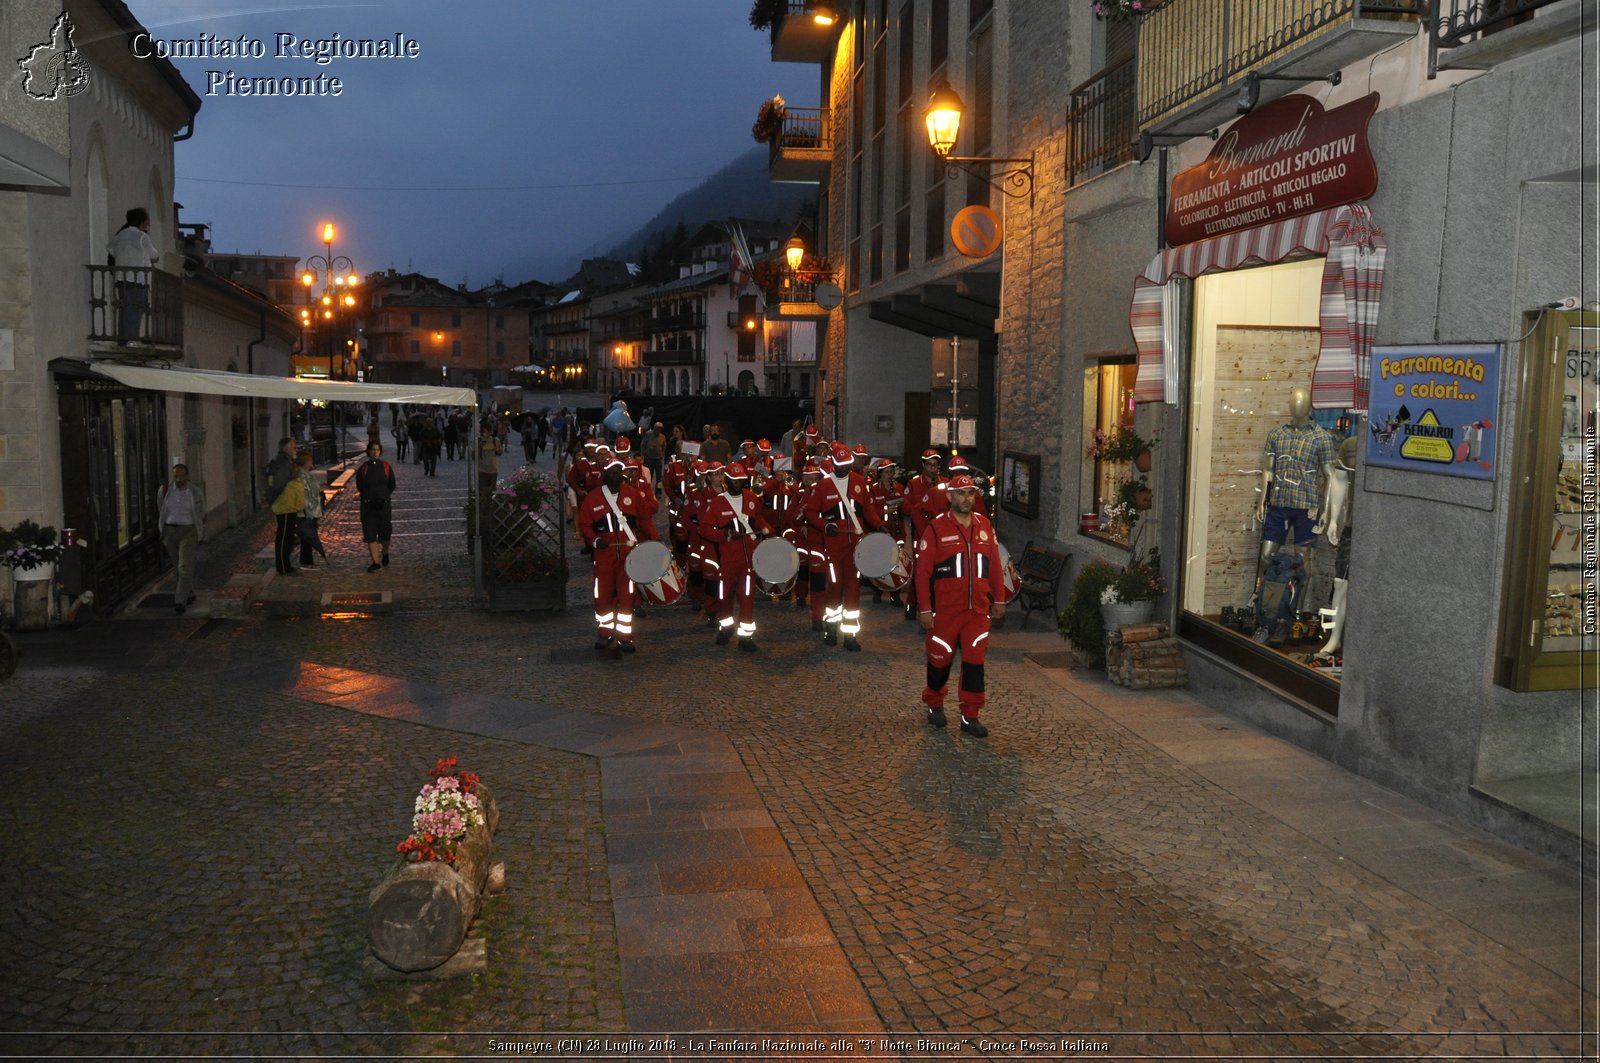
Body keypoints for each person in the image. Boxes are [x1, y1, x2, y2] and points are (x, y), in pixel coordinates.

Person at [915, 473, 1005, 738]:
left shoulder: (986, 526)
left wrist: (999, 599)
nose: (967, 498)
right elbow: (922, 573)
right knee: (939, 662)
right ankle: (934, 703)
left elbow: (995, 568)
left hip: (977, 612)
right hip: (945, 613)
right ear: (950, 497)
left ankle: (970, 715)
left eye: (970, 493)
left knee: (975, 664)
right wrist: (924, 609)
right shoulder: (935, 529)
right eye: (961, 493)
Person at [576, 451, 660, 657]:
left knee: (627, 595)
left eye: (619, 470)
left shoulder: (632, 494)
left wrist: (656, 541)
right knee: (602, 594)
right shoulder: (593, 498)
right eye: (612, 471)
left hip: (627, 554)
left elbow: (645, 520)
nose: (616, 474)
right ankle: (604, 633)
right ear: (605, 474)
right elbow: (585, 524)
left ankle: (624, 637)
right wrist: (595, 540)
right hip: (604, 555)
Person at [802, 442, 885, 650]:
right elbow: (810, 512)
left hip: (855, 547)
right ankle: (831, 628)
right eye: (841, 464)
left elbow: (868, 511)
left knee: (853, 589)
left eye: (847, 463)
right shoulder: (823, 486)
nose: (845, 467)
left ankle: (850, 635)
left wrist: (880, 525)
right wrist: (825, 525)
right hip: (833, 546)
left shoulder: (860, 482)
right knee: (835, 587)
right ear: (833, 463)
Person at [697, 461, 774, 651]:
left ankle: (745, 637)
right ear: (727, 480)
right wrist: (724, 535)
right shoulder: (718, 502)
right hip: (728, 560)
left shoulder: (751, 498)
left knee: (747, 596)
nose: (738, 484)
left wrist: (766, 528)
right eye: (735, 480)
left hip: (749, 560)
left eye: (741, 480)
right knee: (725, 596)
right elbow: (704, 529)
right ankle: (726, 627)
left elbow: (758, 518)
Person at [156, 462, 204, 613]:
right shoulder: (165, 491)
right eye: (176, 476)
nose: (179, 479)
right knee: (177, 566)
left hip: (188, 531)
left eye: (182, 476)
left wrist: (197, 527)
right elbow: (161, 508)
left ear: (187, 476)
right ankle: (188, 592)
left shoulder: (195, 492)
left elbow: (201, 510)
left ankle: (180, 601)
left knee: (184, 566)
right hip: (170, 532)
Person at [107, 207, 160, 343]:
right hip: (138, 279)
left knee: (125, 310)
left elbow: (110, 249)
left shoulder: (120, 235)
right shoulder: (142, 236)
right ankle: (131, 340)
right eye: (147, 219)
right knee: (135, 310)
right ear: (141, 220)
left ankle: (123, 339)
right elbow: (155, 255)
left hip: (122, 279)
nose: (148, 223)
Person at [356, 441, 397, 573]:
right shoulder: (363, 468)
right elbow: (360, 486)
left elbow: (392, 485)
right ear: (368, 451)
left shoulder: (386, 466)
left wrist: (383, 496)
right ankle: (375, 562)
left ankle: (385, 552)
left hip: (383, 506)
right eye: (373, 450)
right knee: (370, 534)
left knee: (385, 535)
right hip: (368, 507)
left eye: (377, 450)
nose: (375, 452)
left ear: (380, 451)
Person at [264, 437, 300, 576]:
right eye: (294, 447)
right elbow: (279, 484)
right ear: (286, 448)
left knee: (287, 536)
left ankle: (286, 566)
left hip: (288, 504)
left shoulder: (286, 462)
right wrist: (275, 499)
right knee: (284, 536)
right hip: (285, 504)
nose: (295, 450)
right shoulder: (283, 464)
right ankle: (284, 567)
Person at [295, 451, 329, 568]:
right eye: (310, 461)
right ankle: (306, 561)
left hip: (311, 511)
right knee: (307, 537)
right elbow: (304, 495)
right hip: (306, 513)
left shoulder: (306, 475)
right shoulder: (301, 477)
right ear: (305, 462)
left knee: (308, 537)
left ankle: (307, 560)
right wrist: (308, 511)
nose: (311, 463)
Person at [479, 421, 504, 495]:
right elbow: (473, 456)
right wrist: (480, 446)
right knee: (483, 492)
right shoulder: (478, 441)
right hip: (482, 470)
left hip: (492, 471)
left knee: (492, 492)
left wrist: (497, 449)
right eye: (484, 432)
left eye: (487, 432)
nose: (486, 434)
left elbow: (499, 453)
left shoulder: (495, 440)